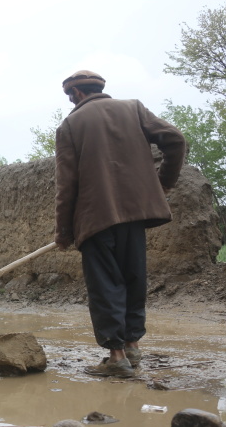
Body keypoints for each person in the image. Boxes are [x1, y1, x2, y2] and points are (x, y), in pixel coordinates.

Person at [54, 70, 187, 377]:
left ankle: (116, 357)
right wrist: (162, 184)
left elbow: (66, 185)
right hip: (135, 214)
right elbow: (176, 140)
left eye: (70, 97)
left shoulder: (71, 125)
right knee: (133, 279)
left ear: (75, 94)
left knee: (105, 286)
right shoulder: (134, 108)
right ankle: (132, 347)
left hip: (95, 218)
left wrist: (63, 232)